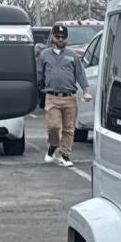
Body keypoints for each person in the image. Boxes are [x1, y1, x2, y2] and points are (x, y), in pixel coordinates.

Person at [36, 23, 91, 167]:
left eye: (63, 37)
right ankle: (53, 145)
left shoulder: (73, 56)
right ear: (52, 38)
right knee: (53, 126)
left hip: (69, 97)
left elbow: (80, 74)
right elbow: (39, 75)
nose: (60, 39)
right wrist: (39, 92)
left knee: (69, 128)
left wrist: (85, 90)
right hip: (52, 96)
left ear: (66, 39)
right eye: (57, 37)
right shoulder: (44, 55)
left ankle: (65, 154)